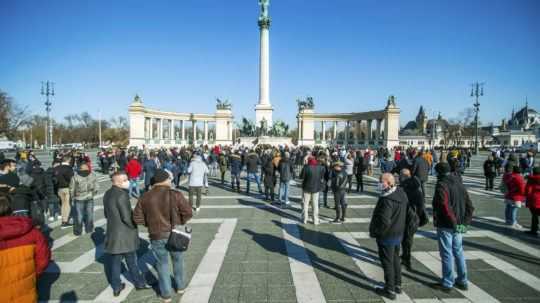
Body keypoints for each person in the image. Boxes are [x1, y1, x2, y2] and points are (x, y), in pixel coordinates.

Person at [133, 169, 193, 302]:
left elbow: (137, 217)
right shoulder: (175, 194)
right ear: (165, 180)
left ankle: (166, 295)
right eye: (169, 179)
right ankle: (180, 286)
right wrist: (180, 222)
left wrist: (149, 224)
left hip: (156, 234)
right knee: (178, 260)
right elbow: (188, 212)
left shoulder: (145, 196)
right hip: (175, 233)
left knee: (162, 264)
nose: (171, 180)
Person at [103, 172, 150, 297]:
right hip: (125, 234)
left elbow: (106, 214)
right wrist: (134, 225)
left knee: (115, 263)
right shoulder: (122, 195)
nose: (127, 181)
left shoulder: (107, 193)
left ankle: (116, 287)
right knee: (132, 261)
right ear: (117, 182)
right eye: (124, 180)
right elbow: (126, 217)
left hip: (113, 233)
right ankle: (139, 283)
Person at [431, 162, 474, 292]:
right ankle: (462, 280)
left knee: (447, 253)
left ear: (439, 173)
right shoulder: (459, 182)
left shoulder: (442, 184)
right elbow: (470, 206)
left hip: (447, 224)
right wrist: (464, 224)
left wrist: (454, 223)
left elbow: (444, 206)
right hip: (460, 223)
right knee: (458, 251)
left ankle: (448, 283)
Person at [0, 193, 51, 303]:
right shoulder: (32, 232)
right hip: (26, 290)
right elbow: (43, 261)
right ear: (11, 208)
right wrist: (31, 274)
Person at [369, 173, 408, 300]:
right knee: (395, 259)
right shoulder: (401, 193)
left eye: (381, 181)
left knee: (387, 262)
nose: (379, 183)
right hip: (398, 232)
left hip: (387, 235)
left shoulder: (386, 199)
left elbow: (384, 221)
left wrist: (377, 232)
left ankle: (390, 289)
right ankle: (398, 284)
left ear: (389, 183)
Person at [399, 168, 426, 270]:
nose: (399, 178)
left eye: (400, 176)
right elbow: (421, 204)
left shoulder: (406, 188)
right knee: (407, 239)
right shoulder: (416, 186)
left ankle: (407, 260)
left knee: (406, 239)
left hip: (408, 217)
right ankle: (405, 255)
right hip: (414, 218)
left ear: (404, 176)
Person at [70, 163, 98, 236]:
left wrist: (73, 198)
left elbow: (72, 189)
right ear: (87, 168)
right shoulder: (93, 175)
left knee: (79, 215)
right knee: (89, 214)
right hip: (89, 197)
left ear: (80, 169)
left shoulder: (75, 177)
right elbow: (96, 187)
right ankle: (89, 229)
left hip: (78, 198)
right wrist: (92, 194)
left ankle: (78, 231)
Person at [299, 156, 324, 225]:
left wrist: (305, 165)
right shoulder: (320, 167)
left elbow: (301, 177)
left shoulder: (306, 167)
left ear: (308, 161)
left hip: (306, 188)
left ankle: (305, 219)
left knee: (305, 204)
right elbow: (322, 177)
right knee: (315, 205)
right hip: (316, 188)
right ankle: (315, 220)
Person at [54, 156, 75, 228]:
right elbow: (72, 180)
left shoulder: (56, 168)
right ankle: (65, 221)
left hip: (59, 188)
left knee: (63, 204)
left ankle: (64, 220)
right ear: (68, 160)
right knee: (67, 204)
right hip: (67, 188)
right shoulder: (69, 168)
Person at [525, 167, 540, 237]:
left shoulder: (531, 179)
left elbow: (528, 190)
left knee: (534, 215)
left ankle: (534, 230)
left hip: (534, 200)